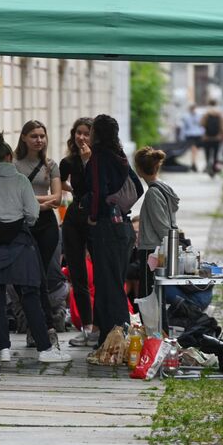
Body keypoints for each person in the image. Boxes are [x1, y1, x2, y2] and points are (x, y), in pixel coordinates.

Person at [0, 133, 72, 364]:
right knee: (30, 296)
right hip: (20, 246)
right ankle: (44, 349)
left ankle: (3, 348)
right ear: (9, 156)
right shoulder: (21, 182)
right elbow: (33, 214)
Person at [84, 114, 139, 348]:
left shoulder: (99, 158)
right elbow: (137, 186)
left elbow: (97, 190)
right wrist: (121, 203)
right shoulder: (121, 157)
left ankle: (117, 338)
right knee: (114, 282)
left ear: (98, 133)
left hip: (106, 228)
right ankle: (111, 336)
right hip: (124, 228)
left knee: (109, 285)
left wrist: (94, 216)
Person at [13, 120, 63, 338]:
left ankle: (43, 326)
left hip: (46, 225)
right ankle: (38, 323)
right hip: (23, 225)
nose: (39, 140)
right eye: (34, 136)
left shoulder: (51, 165)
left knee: (39, 275)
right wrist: (40, 201)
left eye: (42, 136)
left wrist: (30, 200)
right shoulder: (13, 165)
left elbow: (58, 198)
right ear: (24, 137)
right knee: (24, 277)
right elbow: (13, 197)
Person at [60, 118, 96, 347]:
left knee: (100, 273)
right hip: (75, 217)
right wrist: (72, 190)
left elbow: (100, 187)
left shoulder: (99, 160)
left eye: (86, 133)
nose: (81, 137)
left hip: (95, 219)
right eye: (78, 133)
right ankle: (87, 328)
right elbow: (60, 182)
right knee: (78, 274)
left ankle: (104, 326)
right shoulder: (69, 161)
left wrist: (87, 160)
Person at [133, 147, 180, 298]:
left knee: (148, 295)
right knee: (156, 294)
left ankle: (152, 323)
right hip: (159, 249)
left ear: (139, 170)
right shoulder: (164, 188)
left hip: (152, 249)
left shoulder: (153, 193)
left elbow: (161, 226)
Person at [199, 99, 223, 178]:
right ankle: (214, 168)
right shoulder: (219, 114)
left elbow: (201, 124)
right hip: (217, 138)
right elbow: (222, 126)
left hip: (207, 138)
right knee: (215, 154)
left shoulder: (206, 113)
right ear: (216, 104)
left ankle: (208, 165)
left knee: (207, 154)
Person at [179, 104, 205, 172]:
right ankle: (193, 164)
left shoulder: (199, 115)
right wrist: (182, 136)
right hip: (191, 134)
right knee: (194, 149)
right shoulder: (186, 116)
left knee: (195, 150)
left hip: (196, 134)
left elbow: (201, 125)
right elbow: (184, 127)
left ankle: (193, 163)